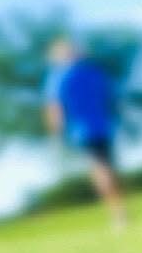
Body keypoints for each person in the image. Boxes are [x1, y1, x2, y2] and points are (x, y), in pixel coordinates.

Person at [44, 37, 126, 226]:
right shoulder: (95, 72)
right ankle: (119, 210)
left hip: (81, 131)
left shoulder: (58, 76)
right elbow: (111, 99)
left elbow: (55, 107)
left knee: (100, 169)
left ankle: (118, 214)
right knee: (108, 165)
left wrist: (56, 134)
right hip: (105, 126)